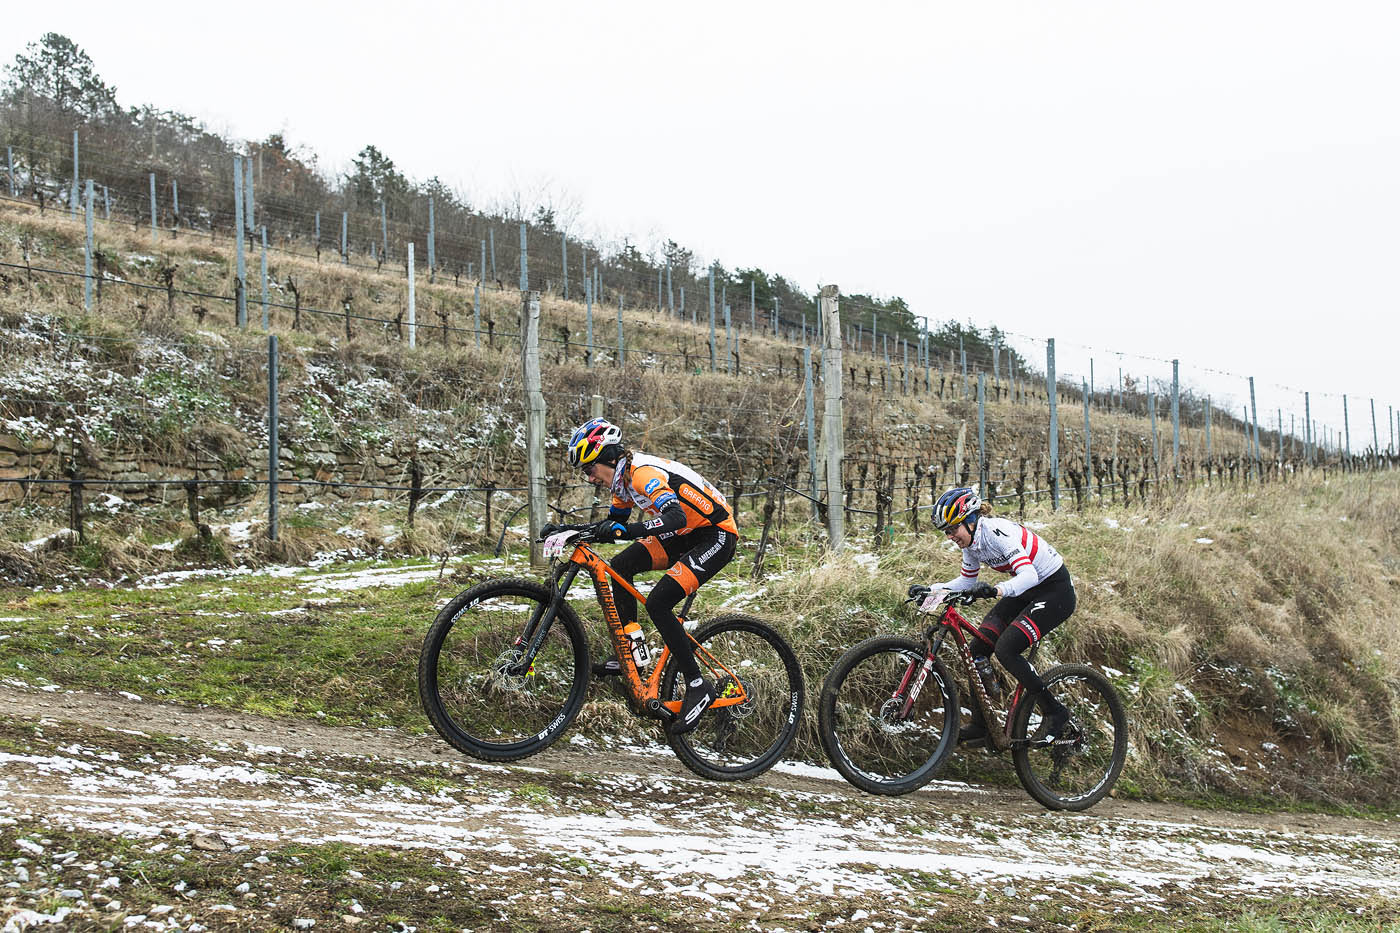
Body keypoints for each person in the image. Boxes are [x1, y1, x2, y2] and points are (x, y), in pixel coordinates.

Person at [566, 418, 739, 735]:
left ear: (607, 457)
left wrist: (629, 530)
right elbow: (612, 528)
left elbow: (671, 516)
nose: (589, 478)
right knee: (620, 568)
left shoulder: (642, 474)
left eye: (589, 468)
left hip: (715, 535)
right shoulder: (622, 484)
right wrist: (568, 531)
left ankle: (698, 685)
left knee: (659, 602)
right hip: (687, 533)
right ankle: (631, 654)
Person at [923, 486, 1075, 745]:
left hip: (1054, 591)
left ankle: (1055, 713)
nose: (949, 536)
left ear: (970, 521)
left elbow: (1029, 575)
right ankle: (983, 726)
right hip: (1026, 589)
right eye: (945, 531)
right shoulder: (971, 543)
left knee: (1006, 649)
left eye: (952, 529)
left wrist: (996, 590)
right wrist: (930, 590)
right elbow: (965, 580)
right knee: (977, 648)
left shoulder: (996, 532)